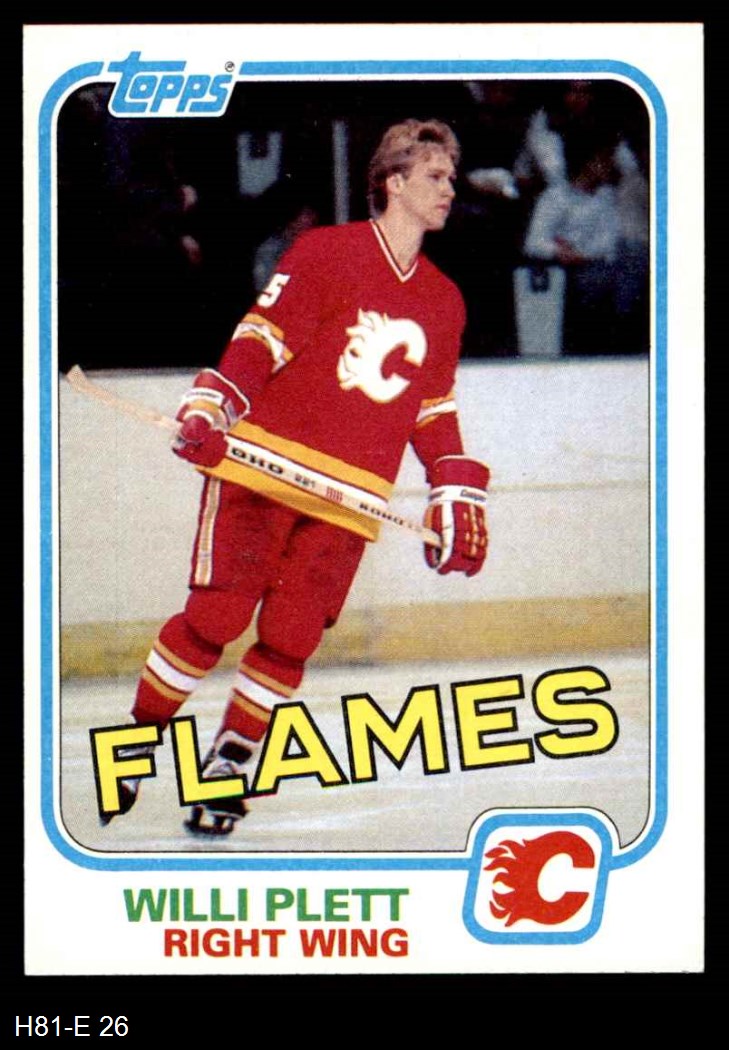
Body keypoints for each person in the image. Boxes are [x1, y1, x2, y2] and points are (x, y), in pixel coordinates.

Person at [108, 119, 490, 836]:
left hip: (350, 497)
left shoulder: (445, 300)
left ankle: (227, 767)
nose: (449, 188)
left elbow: (432, 407)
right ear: (394, 181)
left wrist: (452, 485)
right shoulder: (326, 252)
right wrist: (217, 402)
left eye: (450, 176)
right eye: (435, 176)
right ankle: (135, 741)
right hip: (265, 469)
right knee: (216, 618)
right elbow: (263, 336)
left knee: (290, 638)